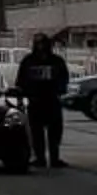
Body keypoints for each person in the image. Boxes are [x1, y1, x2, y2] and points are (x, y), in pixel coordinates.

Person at [16, 32, 71, 169]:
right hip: (35, 101)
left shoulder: (56, 61)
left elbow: (64, 78)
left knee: (55, 133)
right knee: (36, 133)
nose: (41, 46)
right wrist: (22, 96)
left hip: (52, 100)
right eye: (38, 43)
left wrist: (59, 90)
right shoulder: (28, 61)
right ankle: (40, 158)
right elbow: (21, 80)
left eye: (43, 43)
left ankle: (54, 159)